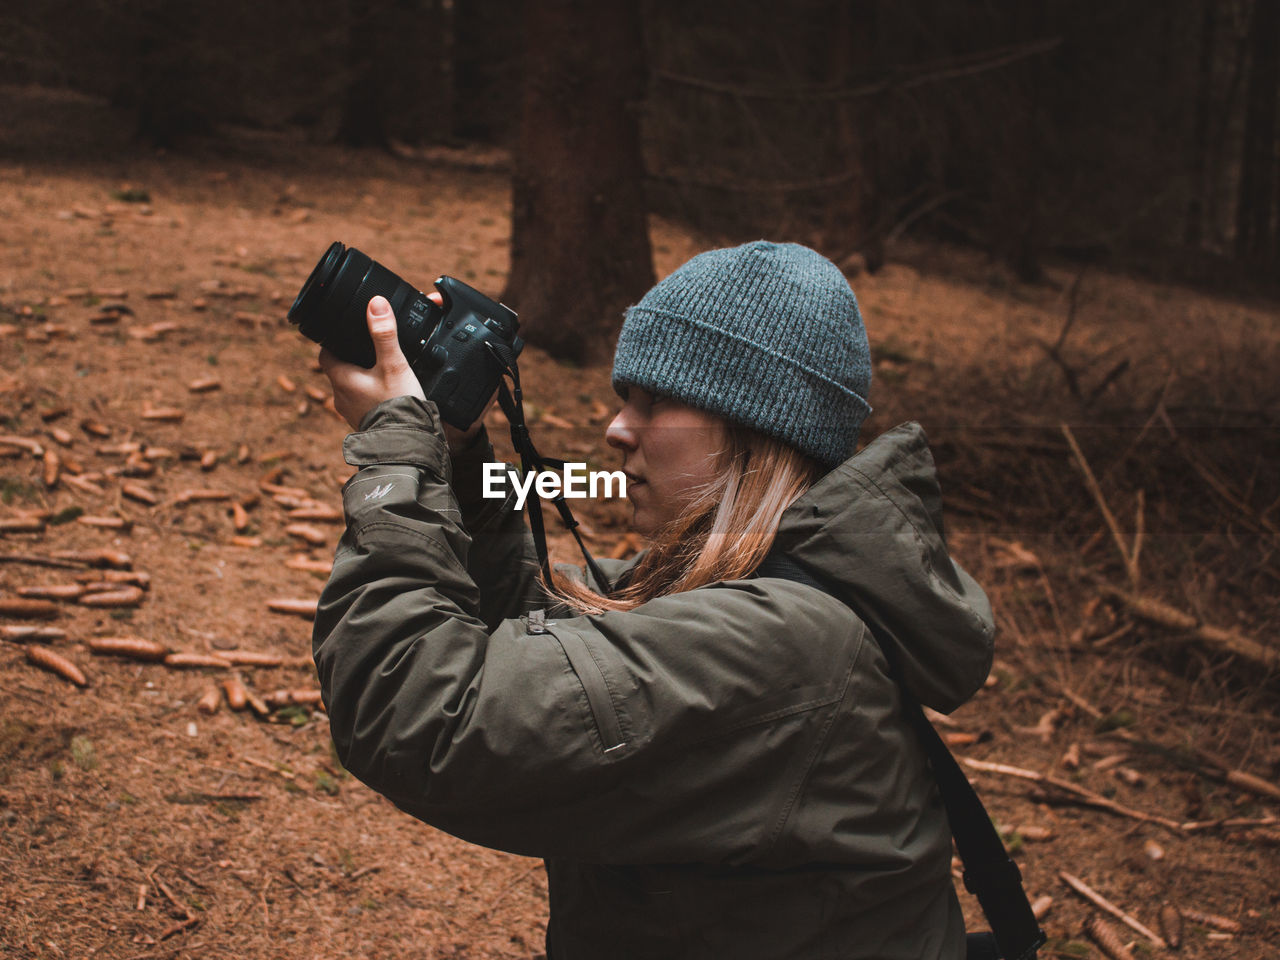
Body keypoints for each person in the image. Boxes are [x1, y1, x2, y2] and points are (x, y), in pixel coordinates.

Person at [315, 241, 995, 959]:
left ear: (754, 428)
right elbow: (538, 630)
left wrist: (396, 457)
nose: (615, 429)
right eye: (623, 398)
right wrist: (454, 455)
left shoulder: (781, 640)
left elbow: (421, 720)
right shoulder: (760, 585)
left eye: (656, 402)